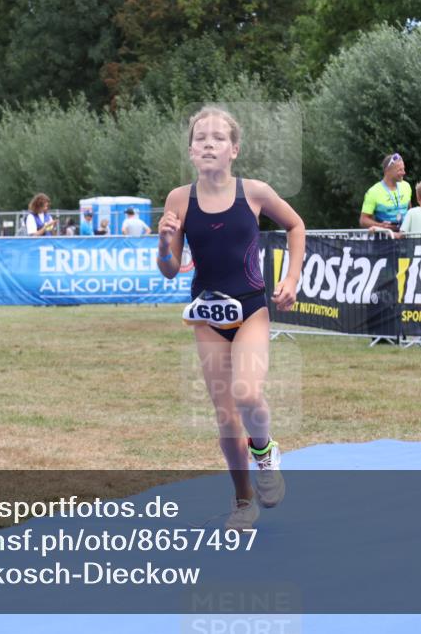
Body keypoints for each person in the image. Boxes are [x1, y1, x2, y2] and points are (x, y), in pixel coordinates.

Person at [157, 106, 305, 532]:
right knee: (225, 416)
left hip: (251, 308)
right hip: (206, 315)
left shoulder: (255, 192)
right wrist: (166, 239)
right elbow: (168, 268)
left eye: (217, 137)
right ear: (190, 151)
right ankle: (243, 502)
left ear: (234, 150)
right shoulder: (178, 199)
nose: (207, 142)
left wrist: (292, 278)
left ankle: (265, 450)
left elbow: (296, 225)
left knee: (246, 394)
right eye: (200, 137)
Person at [359, 152, 412, 232]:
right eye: (400, 170)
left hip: (404, 237)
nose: (404, 172)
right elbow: (363, 220)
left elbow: (409, 211)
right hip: (383, 239)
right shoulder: (373, 191)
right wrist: (381, 226)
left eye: (403, 169)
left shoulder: (406, 186)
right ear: (388, 171)